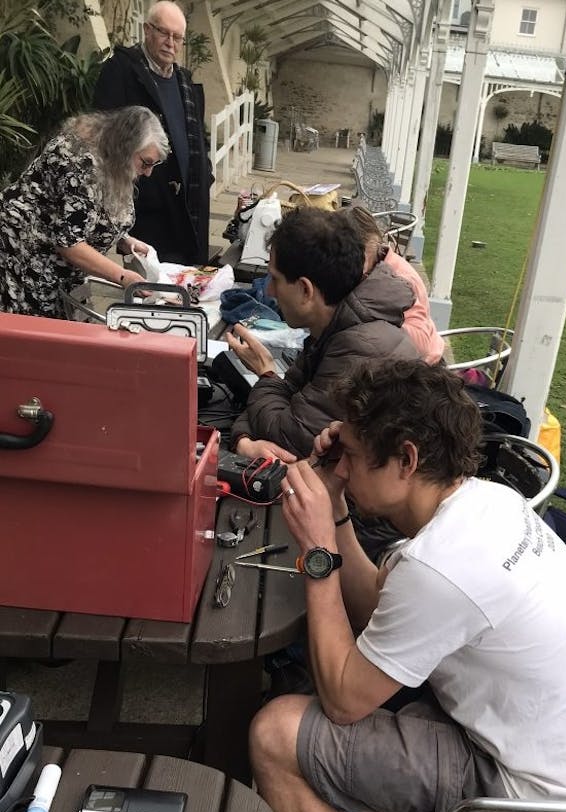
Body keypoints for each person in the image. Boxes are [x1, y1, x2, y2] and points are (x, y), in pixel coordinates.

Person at [248, 359, 566, 812]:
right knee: (331, 682)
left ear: (407, 458)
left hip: (523, 798)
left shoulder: (442, 565)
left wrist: (314, 555)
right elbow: (376, 609)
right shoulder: (482, 504)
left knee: (278, 732)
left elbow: (342, 700)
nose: (343, 463)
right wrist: (335, 510)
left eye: (355, 455)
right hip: (544, 751)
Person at [228, 207, 419, 464]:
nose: (270, 292)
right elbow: (284, 401)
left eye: (275, 279)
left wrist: (266, 374)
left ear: (306, 290)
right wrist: (245, 442)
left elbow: (290, 437)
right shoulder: (336, 326)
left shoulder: (358, 347)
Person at [0, 107, 168, 318]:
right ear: (126, 148)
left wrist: (124, 240)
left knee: (72, 325)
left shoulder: (112, 159)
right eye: (146, 162)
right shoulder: (80, 165)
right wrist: (123, 276)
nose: (148, 172)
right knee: (42, 335)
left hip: (58, 255)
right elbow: (69, 244)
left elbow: (90, 214)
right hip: (25, 252)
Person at [93, 0, 213, 265]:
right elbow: (104, 137)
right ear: (147, 30)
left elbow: (199, 139)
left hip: (189, 209)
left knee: (188, 287)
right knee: (148, 295)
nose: (171, 42)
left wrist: (207, 174)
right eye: (164, 33)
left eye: (177, 37)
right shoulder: (122, 72)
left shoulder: (184, 82)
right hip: (148, 212)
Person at [343, 205, 445, 364]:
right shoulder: (372, 265)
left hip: (420, 368)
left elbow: (422, 342)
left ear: (371, 244)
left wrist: (368, 326)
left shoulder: (400, 279)